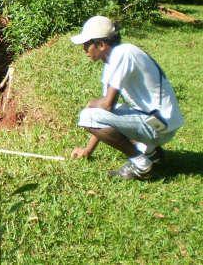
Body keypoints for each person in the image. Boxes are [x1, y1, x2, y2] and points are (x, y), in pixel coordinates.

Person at [69, 15, 183, 180]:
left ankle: (141, 163)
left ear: (101, 44)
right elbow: (106, 113)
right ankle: (151, 152)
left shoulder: (123, 53)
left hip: (161, 124)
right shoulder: (113, 61)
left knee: (87, 115)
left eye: (87, 44)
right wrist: (88, 150)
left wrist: (91, 103)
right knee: (96, 113)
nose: (84, 49)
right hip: (159, 121)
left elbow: (106, 105)